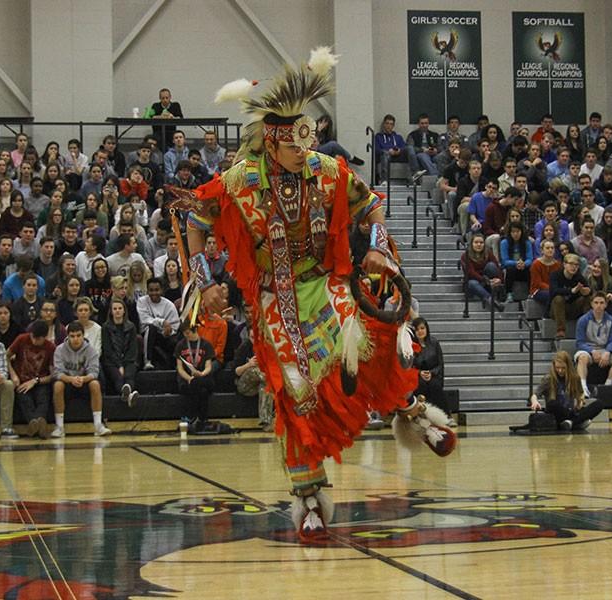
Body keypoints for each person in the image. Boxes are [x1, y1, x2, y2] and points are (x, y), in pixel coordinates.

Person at [185, 50, 452, 542]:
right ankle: (309, 499)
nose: (304, 153)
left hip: (324, 281)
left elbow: (371, 205)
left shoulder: (327, 170)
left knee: (368, 340)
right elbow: (196, 221)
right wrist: (203, 280)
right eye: (294, 146)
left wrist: (375, 249)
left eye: (308, 142)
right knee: (294, 391)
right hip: (272, 298)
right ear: (272, 142)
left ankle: (414, 415)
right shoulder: (240, 182)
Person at [51, 321, 110, 438]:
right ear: (67, 336)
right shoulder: (59, 349)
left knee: (95, 384)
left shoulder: (91, 350)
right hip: (67, 383)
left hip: (84, 382)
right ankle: (59, 426)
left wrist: (83, 379)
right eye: (72, 336)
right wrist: (71, 379)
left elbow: (94, 372)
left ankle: (98, 425)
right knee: (57, 385)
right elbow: (57, 373)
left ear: (83, 336)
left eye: (78, 336)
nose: (75, 339)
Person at [528, 351, 604, 430]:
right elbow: (535, 395)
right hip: (557, 413)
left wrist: (579, 402)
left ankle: (571, 422)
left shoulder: (575, 378)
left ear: (568, 366)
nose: (560, 370)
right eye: (557, 368)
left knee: (599, 404)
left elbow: (580, 394)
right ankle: (577, 422)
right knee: (552, 404)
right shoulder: (548, 378)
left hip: (571, 411)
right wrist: (535, 402)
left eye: (563, 368)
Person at [7, 321, 56, 439]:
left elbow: (52, 375)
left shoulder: (50, 347)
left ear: (45, 337)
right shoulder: (21, 339)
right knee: (24, 398)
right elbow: (6, 356)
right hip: (22, 380)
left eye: (38, 339)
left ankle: (36, 423)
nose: (34, 341)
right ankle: (37, 424)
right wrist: (13, 374)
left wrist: (36, 381)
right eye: (33, 337)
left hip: (40, 381)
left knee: (43, 398)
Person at [574, 292, 612, 397]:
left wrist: (607, 352)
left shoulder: (611, 320)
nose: (599, 305)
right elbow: (579, 342)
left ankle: (607, 385)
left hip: (604, 349)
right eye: (596, 302)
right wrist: (591, 351)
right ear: (592, 304)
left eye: (602, 303)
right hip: (588, 349)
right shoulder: (583, 320)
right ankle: (583, 387)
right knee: (582, 358)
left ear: (606, 305)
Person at [174, 323, 217, 433]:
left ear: (194, 330)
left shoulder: (206, 345)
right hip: (187, 379)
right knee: (201, 391)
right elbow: (180, 368)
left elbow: (208, 366)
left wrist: (201, 374)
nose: (186, 335)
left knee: (199, 384)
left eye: (187, 333)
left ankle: (190, 416)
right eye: (184, 333)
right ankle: (202, 418)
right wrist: (189, 378)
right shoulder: (180, 345)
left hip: (203, 378)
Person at [101, 298, 141, 407]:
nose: (117, 311)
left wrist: (125, 363)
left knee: (129, 375)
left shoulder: (131, 326)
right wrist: (119, 365)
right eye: (115, 309)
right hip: (111, 361)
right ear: (111, 311)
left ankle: (127, 394)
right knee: (118, 376)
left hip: (129, 359)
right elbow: (108, 350)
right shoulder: (105, 327)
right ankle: (129, 396)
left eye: (120, 308)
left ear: (124, 311)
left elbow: (133, 349)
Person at [136, 278, 180, 370]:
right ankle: (147, 361)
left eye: (157, 290)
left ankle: (174, 366)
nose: (154, 293)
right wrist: (162, 322)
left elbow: (175, 325)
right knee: (152, 328)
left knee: (175, 340)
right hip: (147, 333)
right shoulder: (141, 301)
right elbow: (144, 319)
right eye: (151, 290)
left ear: (162, 290)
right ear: (147, 291)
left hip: (164, 335)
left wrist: (169, 331)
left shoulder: (169, 305)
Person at [550, 253, 592, 339]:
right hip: (556, 309)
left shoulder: (579, 277)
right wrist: (571, 291)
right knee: (558, 298)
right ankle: (560, 331)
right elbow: (554, 291)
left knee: (587, 298)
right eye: (571, 264)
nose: (574, 267)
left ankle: (587, 328)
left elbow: (588, 290)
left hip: (573, 308)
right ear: (564, 264)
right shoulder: (555, 275)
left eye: (576, 265)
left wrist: (586, 292)